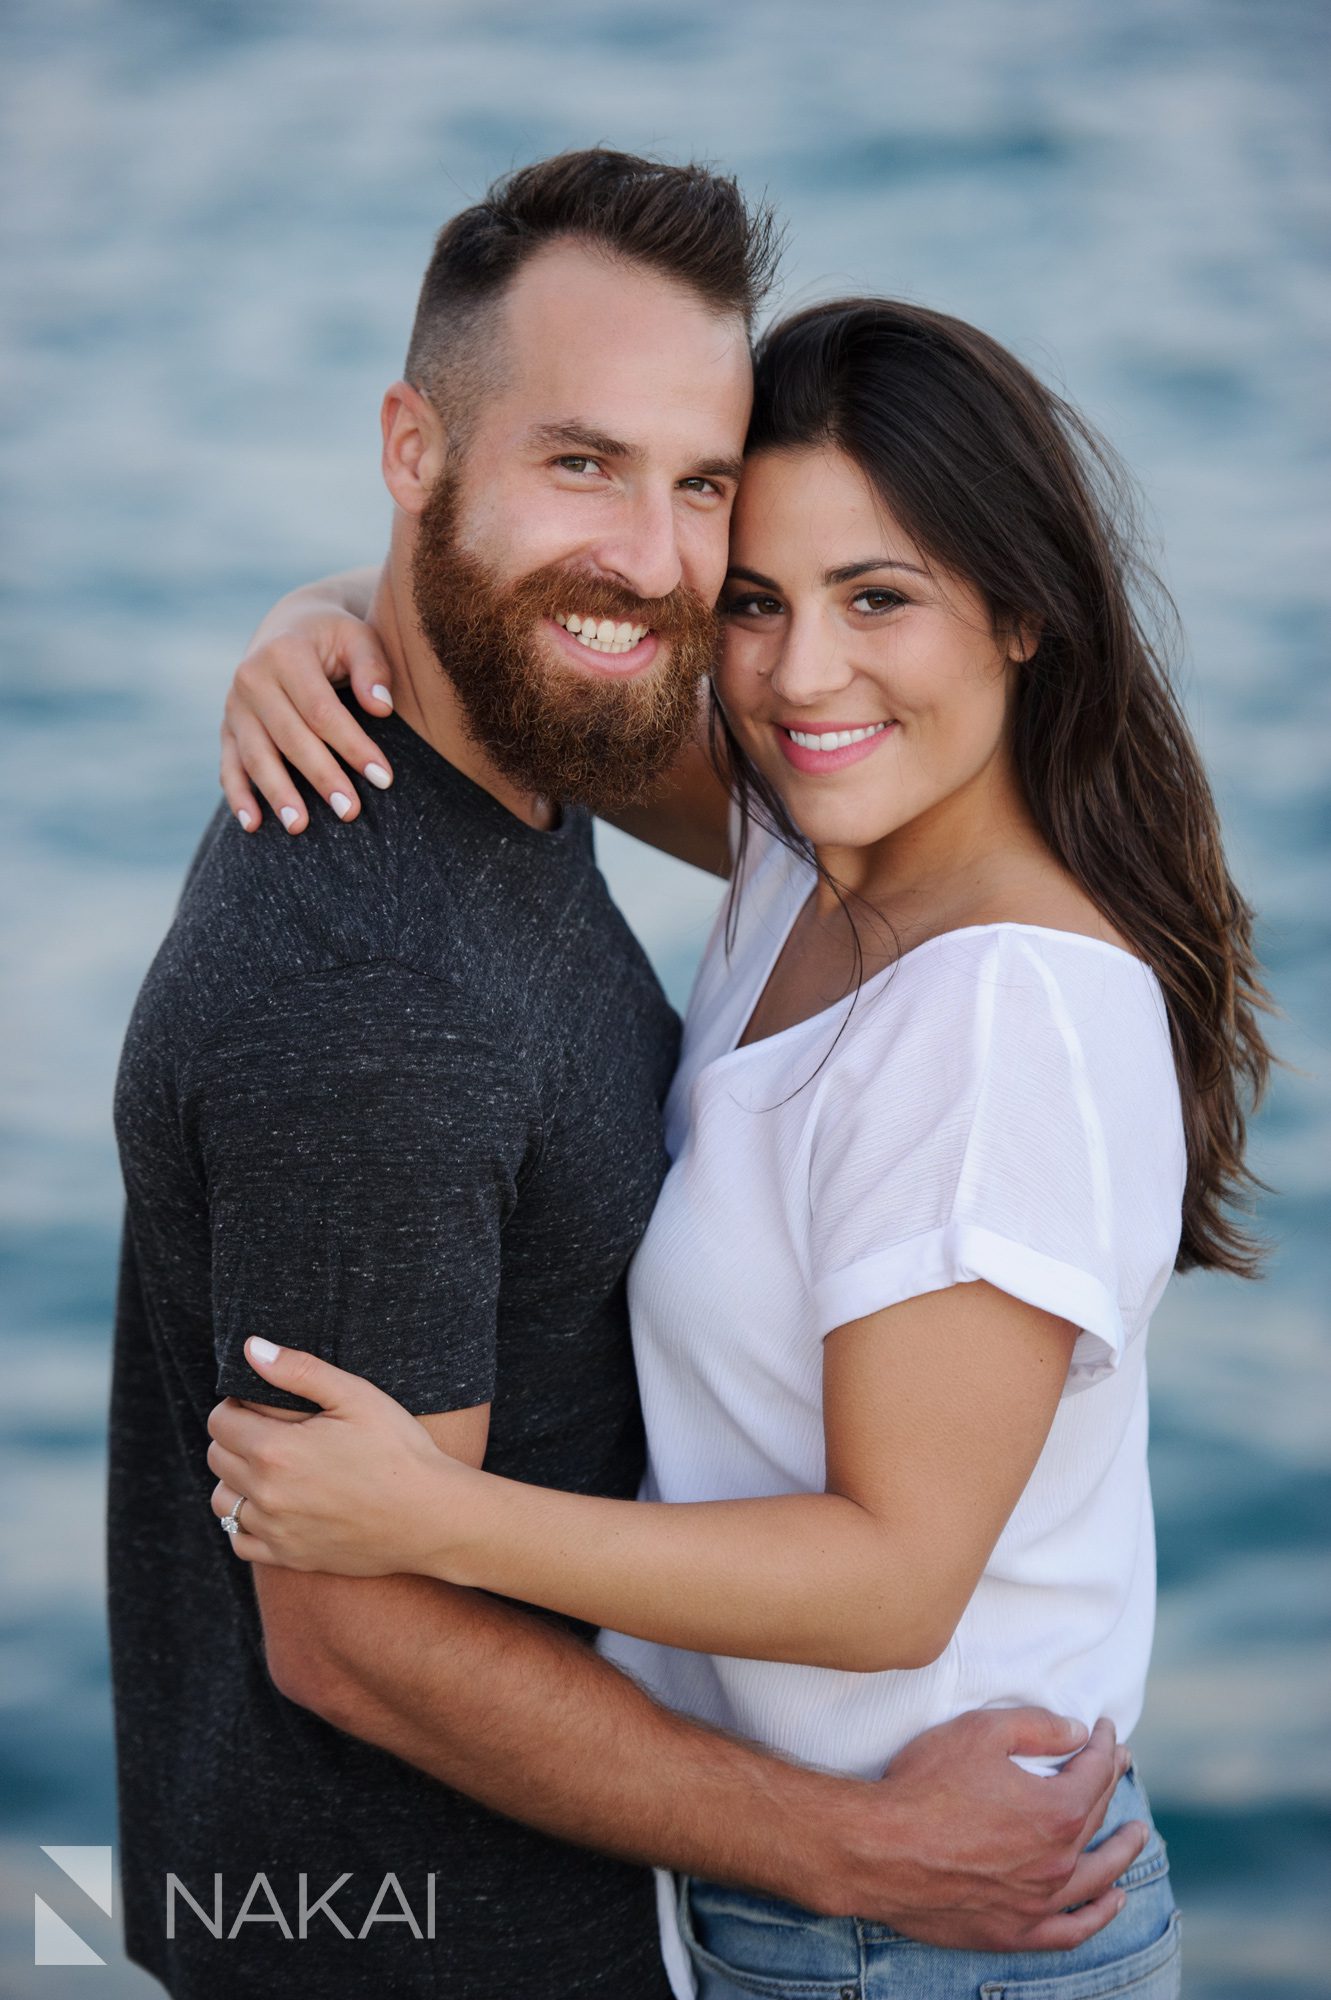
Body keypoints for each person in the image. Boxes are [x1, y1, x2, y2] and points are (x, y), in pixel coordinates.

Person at [110, 155, 1138, 2000]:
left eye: (879, 593)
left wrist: (449, 1528)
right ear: (414, 445)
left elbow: (897, 1579)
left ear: (1021, 615)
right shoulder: (788, 853)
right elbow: (547, 648)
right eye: (758, 593)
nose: (790, 660)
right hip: (726, 1915)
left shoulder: (976, 986)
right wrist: (305, 620)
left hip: (915, 1926)